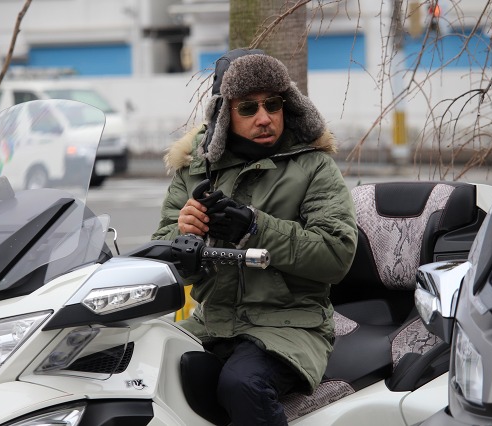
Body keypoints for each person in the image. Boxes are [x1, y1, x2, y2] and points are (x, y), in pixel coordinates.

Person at [152, 49, 358, 425]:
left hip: (291, 325)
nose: (264, 118)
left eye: (273, 104)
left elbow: (336, 255)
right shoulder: (195, 170)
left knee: (242, 384)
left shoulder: (314, 166)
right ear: (224, 114)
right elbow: (163, 261)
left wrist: (254, 228)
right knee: (143, 368)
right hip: (211, 322)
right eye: (248, 108)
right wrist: (183, 235)